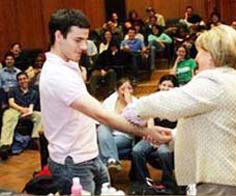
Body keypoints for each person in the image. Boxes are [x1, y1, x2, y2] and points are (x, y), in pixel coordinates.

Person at [39, 9, 170, 195]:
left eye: (85, 39)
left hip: (89, 154)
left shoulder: (69, 64)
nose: (84, 47)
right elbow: (100, 114)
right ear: (58, 36)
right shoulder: (57, 74)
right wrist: (147, 131)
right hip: (73, 163)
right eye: (78, 40)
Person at [123, 24, 236, 195]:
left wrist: (135, 110)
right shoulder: (229, 81)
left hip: (224, 180)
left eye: (200, 52)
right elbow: (212, 127)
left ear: (212, 55)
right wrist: (172, 136)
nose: (196, 57)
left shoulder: (215, 81)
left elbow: (170, 101)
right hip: (233, 178)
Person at [130, 74, 179, 194]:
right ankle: (144, 183)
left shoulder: (179, 103)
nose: (166, 88)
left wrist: (163, 140)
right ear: (159, 85)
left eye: (170, 86)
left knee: (163, 152)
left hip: (170, 138)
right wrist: (152, 137)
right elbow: (149, 120)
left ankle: (168, 185)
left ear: (175, 88)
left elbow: (179, 127)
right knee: (137, 150)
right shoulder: (153, 100)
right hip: (153, 135)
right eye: (163, 85)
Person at [98, 78, 137, 171]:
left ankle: (101, 175)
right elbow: (103, 118)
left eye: (129, 88)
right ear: (117, 91)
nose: (126, 92)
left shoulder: (136, 103)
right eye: (123, 89)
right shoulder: (110, 101)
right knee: (102, 128)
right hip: (108, 133)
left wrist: (129, 104)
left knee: (101, 148)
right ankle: (113, 161)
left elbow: (137, 122)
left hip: (124, 135)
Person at [0, 72, 41, 160]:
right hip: (15, 109)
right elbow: (11, 103)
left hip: (27, 111)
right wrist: (21, 109)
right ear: (18, 82)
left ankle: (35, 138)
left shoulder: (33, 92)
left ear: (27, 79)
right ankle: (5, 145)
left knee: (39, 116)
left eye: (24, 78)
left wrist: (28, 112)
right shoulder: (13, 90)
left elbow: (31, 106)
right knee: (9, 116)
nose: (22, 81)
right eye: (20, 80)